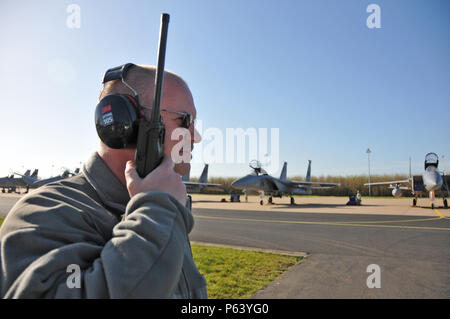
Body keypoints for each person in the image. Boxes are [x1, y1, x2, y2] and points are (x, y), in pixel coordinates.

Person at [0, 64, 207, 298]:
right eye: (186, 120)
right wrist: (156, 212)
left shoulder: (162, 208)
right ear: (126, 122)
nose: (196, 137)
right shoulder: (43, 213)